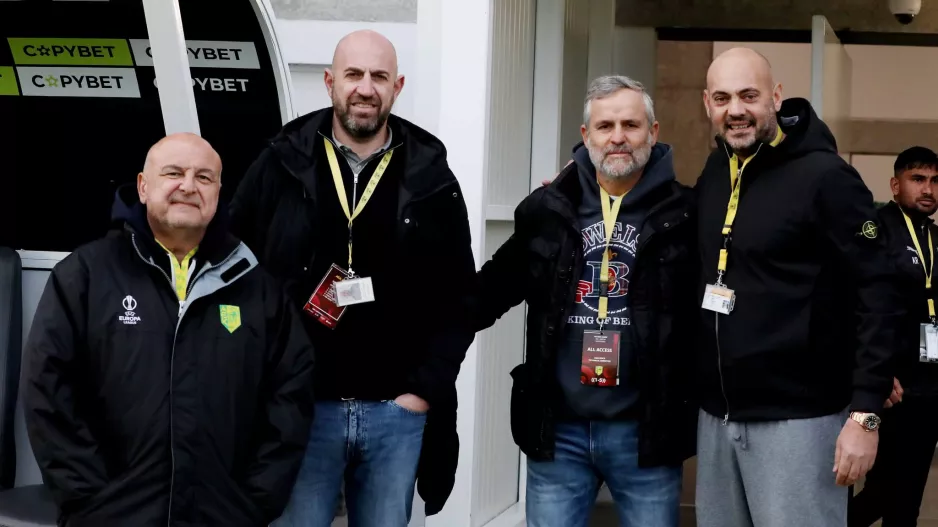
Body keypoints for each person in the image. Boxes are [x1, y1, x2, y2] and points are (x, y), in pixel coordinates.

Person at [228, 29, 476, 526]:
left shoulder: (430, 174)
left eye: (379, 76)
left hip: (395, 413)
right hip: (301, 410)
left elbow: (458, 296)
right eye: (354, 75)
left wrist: (422, 391)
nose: (366, 88)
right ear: (330, 82)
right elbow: (235, 271)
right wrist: (257, 371)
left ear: (397, 86)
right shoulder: (281, 162)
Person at [22, 133, 316, 526]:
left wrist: (253, 502)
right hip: (111, 517)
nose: (188, 186)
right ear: (143, 187)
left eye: (204, 177)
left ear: (218, 193)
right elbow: (48, 389)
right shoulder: (86, 275)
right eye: (173, 173)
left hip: (223, 517)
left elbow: (289, 399)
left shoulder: (258, 289)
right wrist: (91, 501)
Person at [470, 75, 698, 527]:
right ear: (586, 135)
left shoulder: (687, 214)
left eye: (631, 125)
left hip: (645, 434)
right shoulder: (550, 210)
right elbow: (488, 291)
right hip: (561, 434)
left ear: (653, 132)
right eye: (605, 126)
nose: (618, 137)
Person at [693, 47, 904, 527]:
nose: (736, 110)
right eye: (723, 98)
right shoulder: (716, 171)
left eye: (749, 95)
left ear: (776, 96)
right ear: (707, 104)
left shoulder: (827, 178)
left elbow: (879, 291)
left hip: (800, 421)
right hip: (718, 419)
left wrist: (866, 411)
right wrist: (582, 187)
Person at [849, 146, 938, 527]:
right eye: (917, 179)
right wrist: (875, 375)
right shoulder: (876, 230)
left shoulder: (934, 236)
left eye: (935, 181)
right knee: (882, 492)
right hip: (890, 386)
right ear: (895, 184)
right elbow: (853, 305)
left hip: (929, 385)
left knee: (908, 500)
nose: (928, 189)